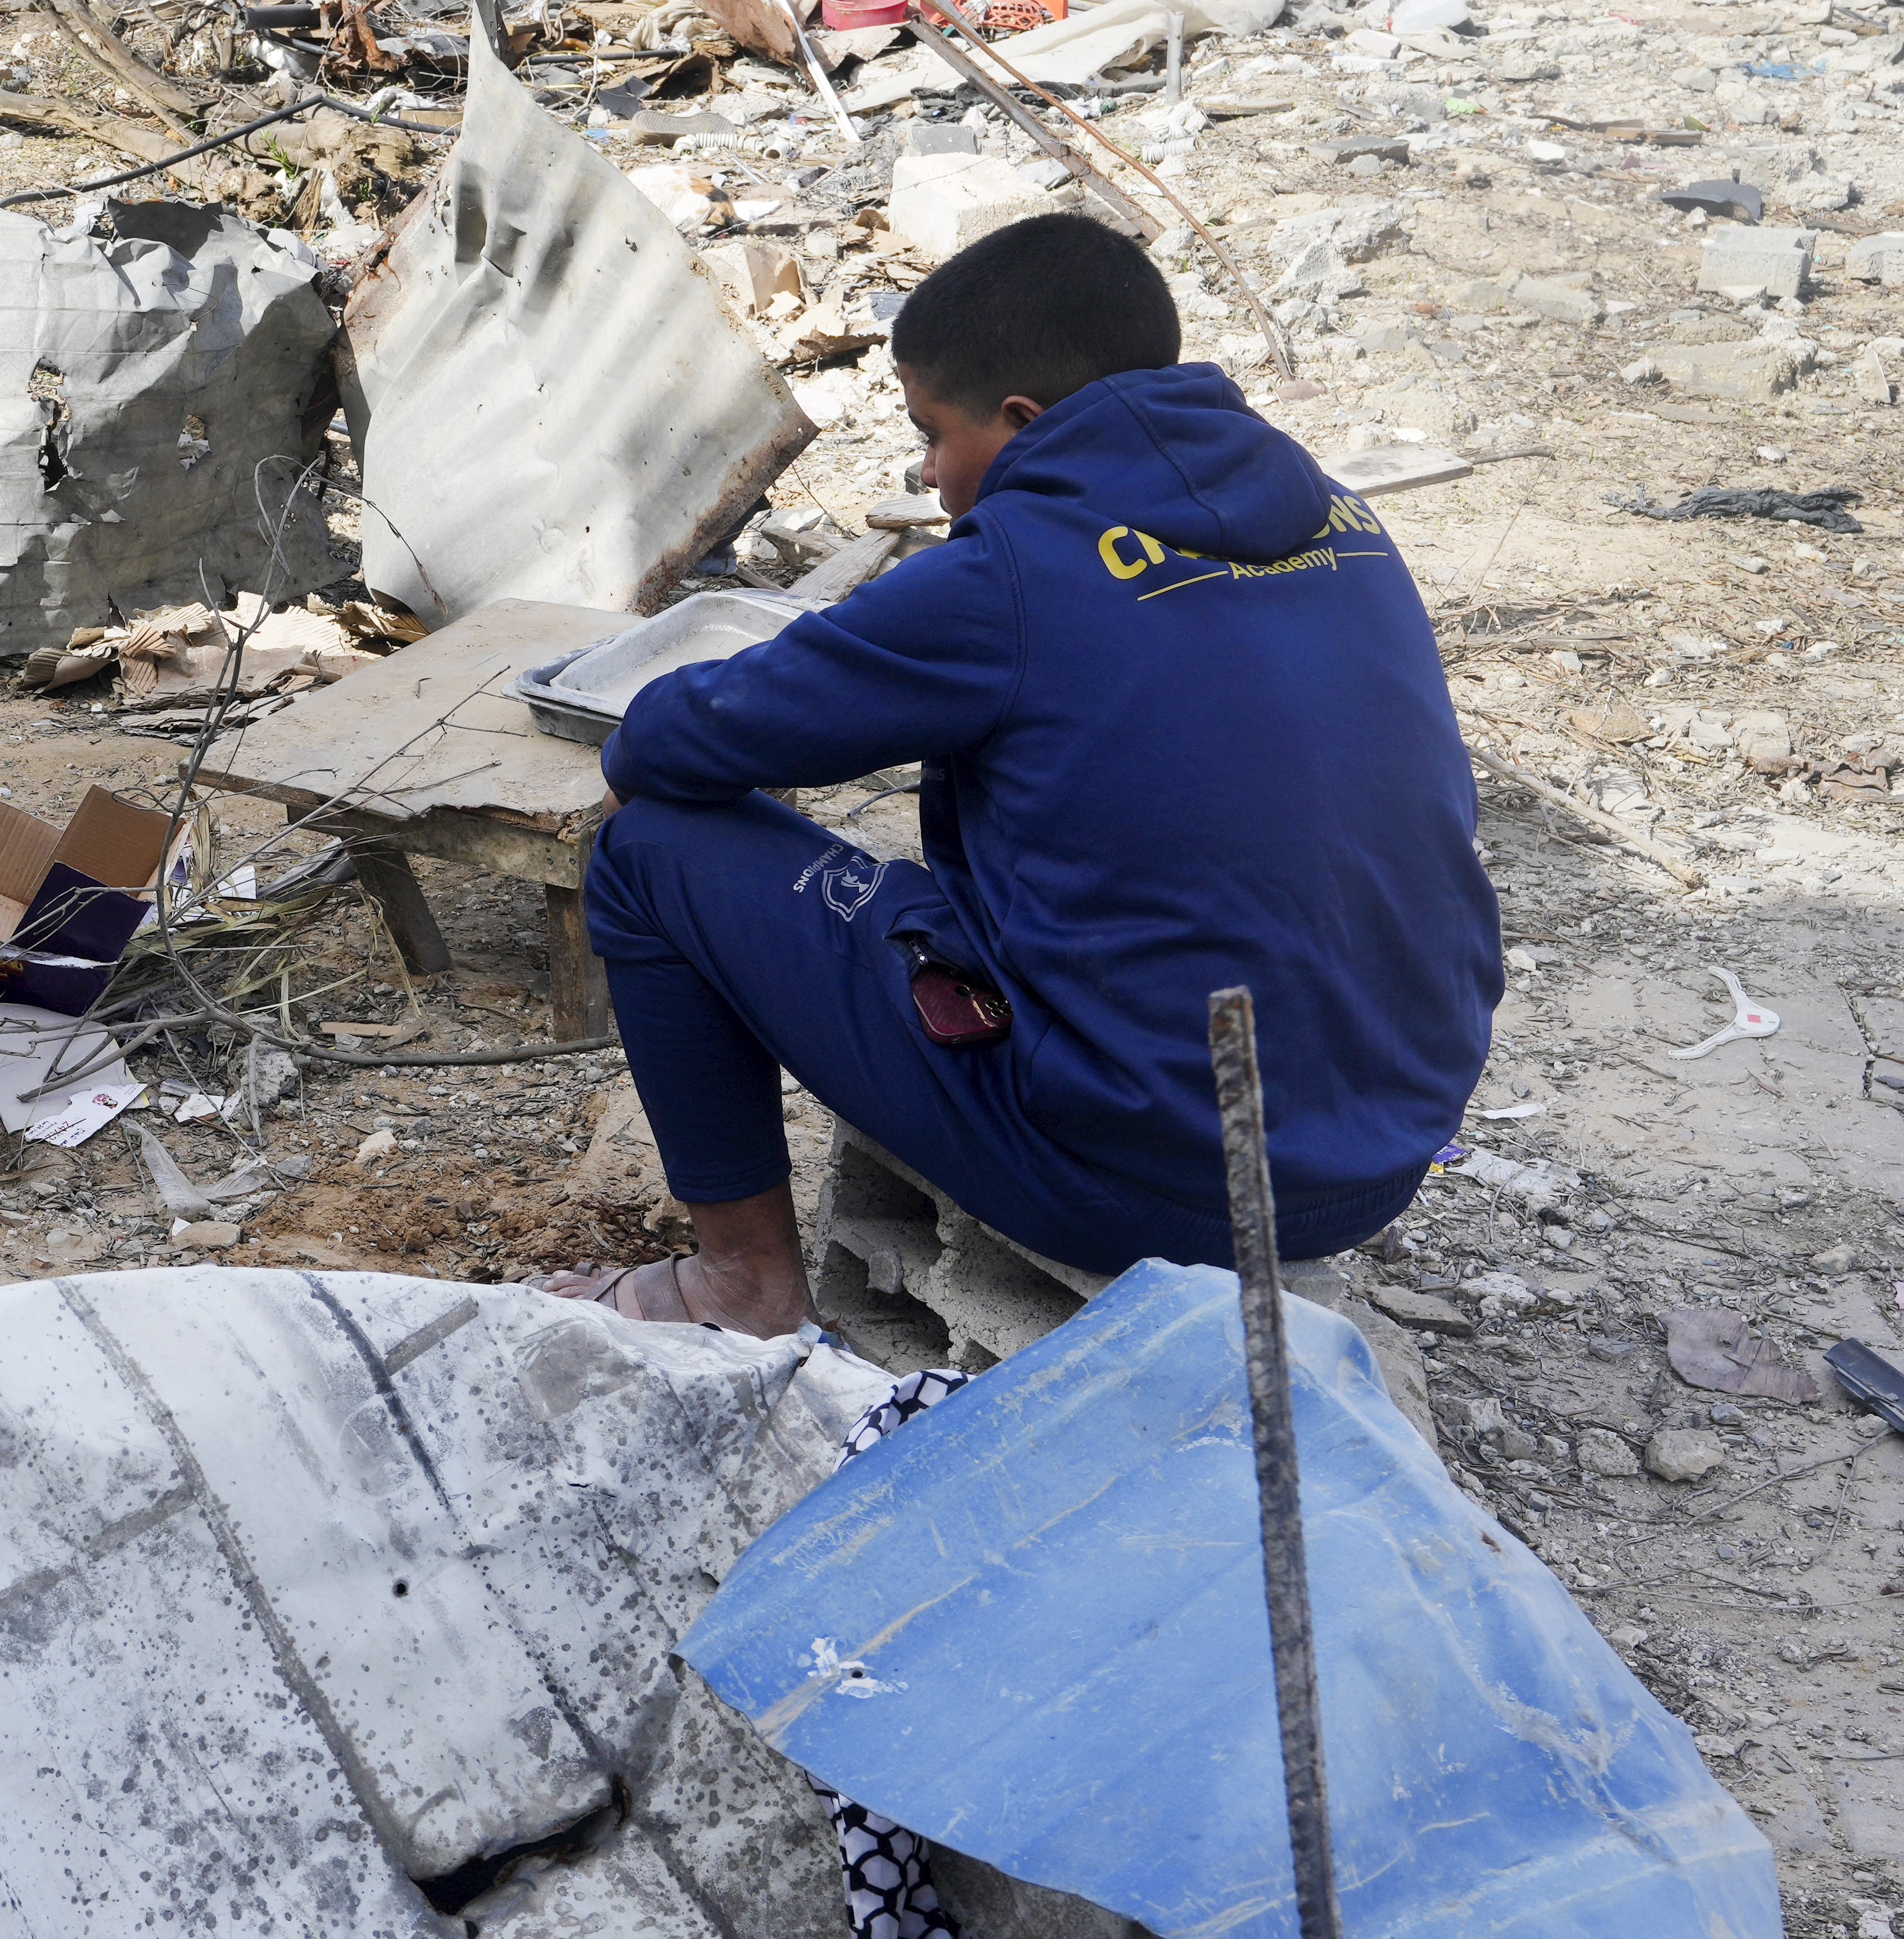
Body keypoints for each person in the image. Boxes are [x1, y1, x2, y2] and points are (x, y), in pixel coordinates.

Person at [546, 211, 1502, 1336]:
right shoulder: (1341, 517)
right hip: (1383, 1150)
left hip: (1154, 1184)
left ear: (1021, 421)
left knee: (647, 852)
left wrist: (637, 751)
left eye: (930, 434)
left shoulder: (1007, 574)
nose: (926, 471)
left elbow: (683, 736)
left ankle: (740, 1285)